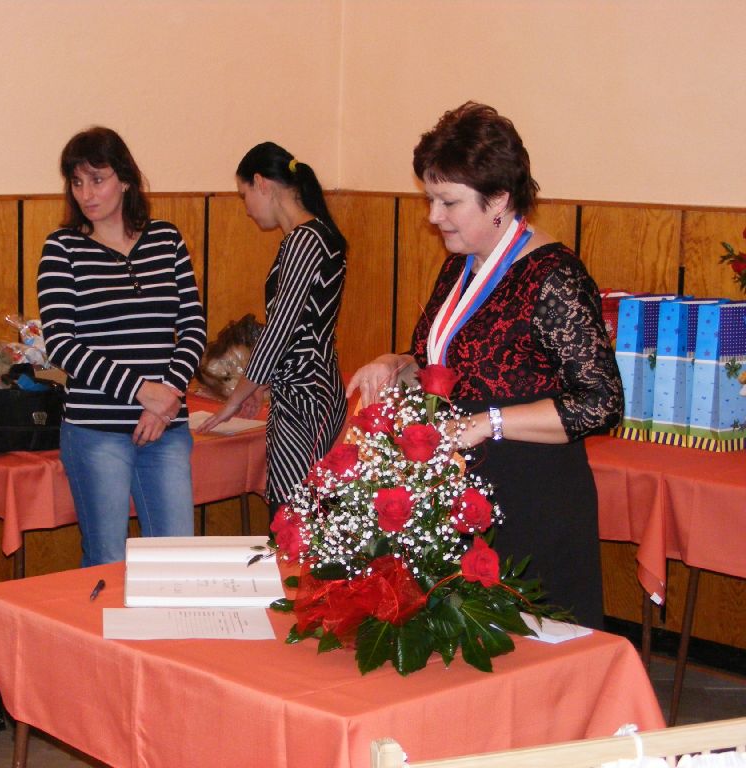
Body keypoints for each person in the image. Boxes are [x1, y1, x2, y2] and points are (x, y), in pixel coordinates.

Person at [347, 102, 622, 629]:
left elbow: (601, 403)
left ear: (498, 199)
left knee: (533, 655)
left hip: (532, 499)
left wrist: (488, 423)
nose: (434, 216)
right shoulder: (460, 265)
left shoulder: (553, 276)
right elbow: (447, 361)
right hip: (463, 492)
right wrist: (394, 363)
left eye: (448, 202)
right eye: (430, 200)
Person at [37, 127, 206, 566]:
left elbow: (192, 327)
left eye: (98, 179)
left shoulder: (166, 239)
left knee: (175, 558)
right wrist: (142, 391)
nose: (86, 194)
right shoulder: (62, 248)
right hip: (96, 430)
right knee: (107, 559)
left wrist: (165, 396)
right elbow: (62, 344)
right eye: (77, 182)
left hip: (166, 425)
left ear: (126, 180)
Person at [198, 142, 347, 515]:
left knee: (293, 513)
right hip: (306, 388)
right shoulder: (310, 237)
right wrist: (261, 385)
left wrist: (236, 398)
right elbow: (298, 330)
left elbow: (281, 330)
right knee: (296, 509)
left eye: (244, 194)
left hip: (306, 395)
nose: (246, 207)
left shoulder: (304, 240)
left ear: (261, 183)